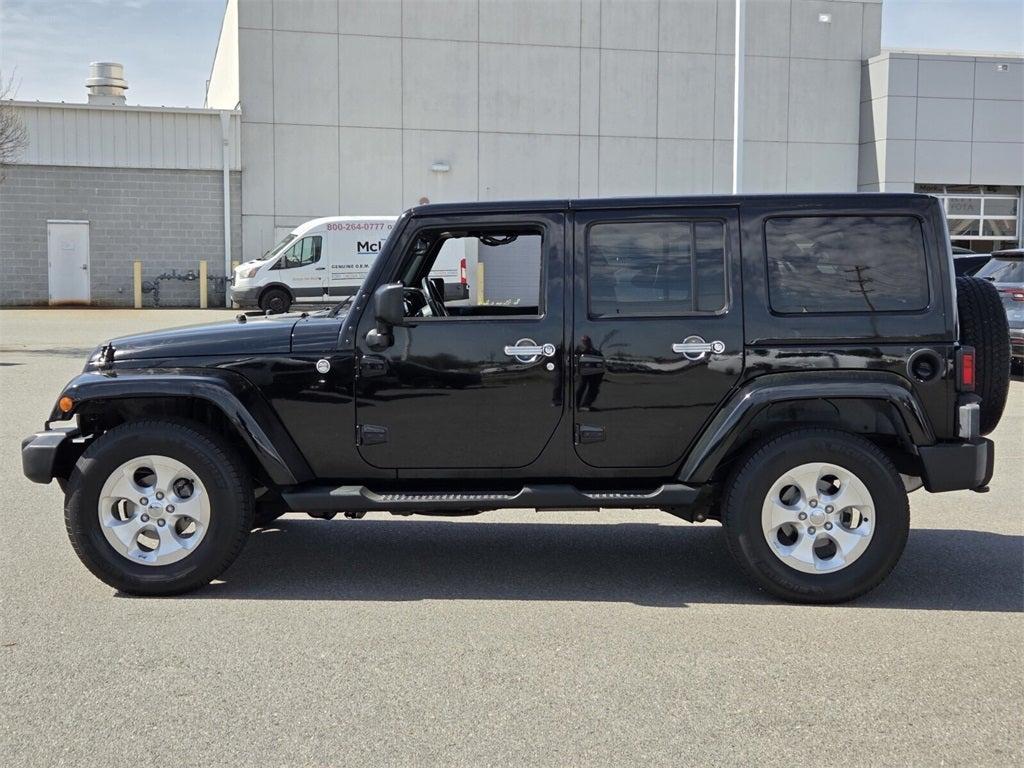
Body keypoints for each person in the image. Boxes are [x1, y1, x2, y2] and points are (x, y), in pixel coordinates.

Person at [574, 334, 604, 410]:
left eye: (587, 341)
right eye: (584, 341)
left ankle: (586, 404)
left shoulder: (594, 351)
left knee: (594, 388)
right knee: (581, 387)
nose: (585, 342)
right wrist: (577, 372)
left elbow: (599, 358)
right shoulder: (579, 350)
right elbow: (576, 360)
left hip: (592, 372)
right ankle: (576, 405)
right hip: (583, 372)